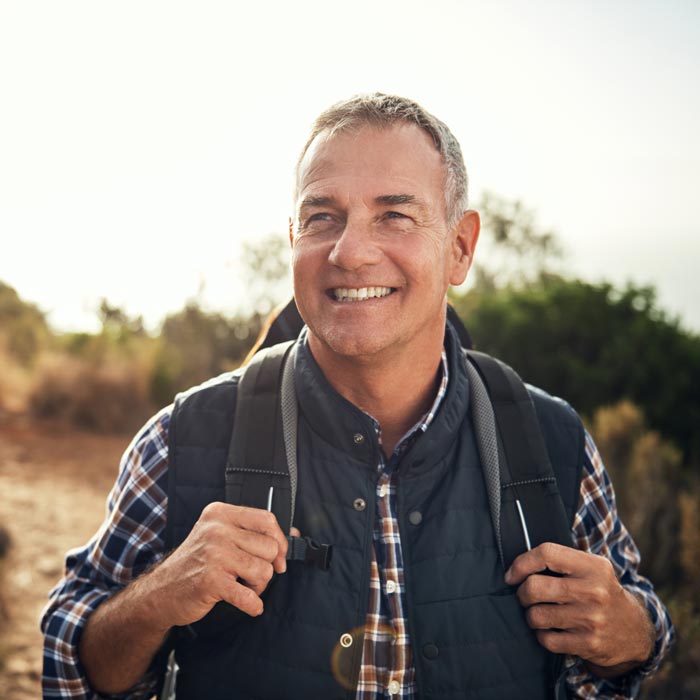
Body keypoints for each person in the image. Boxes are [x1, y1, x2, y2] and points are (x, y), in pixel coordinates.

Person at [42, 93, 673, 700]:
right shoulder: (180, 438)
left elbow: (630, 639)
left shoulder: (552, 439)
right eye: (323, 218)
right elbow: (74, 665)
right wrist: (157, 599)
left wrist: (633, 632)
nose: (350, 251)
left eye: (394, 215)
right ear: (294, 240)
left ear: (459, 247)